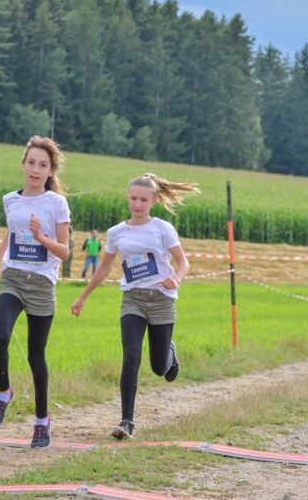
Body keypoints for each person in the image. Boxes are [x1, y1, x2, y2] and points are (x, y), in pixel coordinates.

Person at [71, 173, 199, 439]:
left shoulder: (163, 228)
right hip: (133, 299)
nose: (137, 204)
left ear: (153, 201)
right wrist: (82, 297)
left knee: (159, 368)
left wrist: (176, 279)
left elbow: (183, 263)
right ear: (128, 198)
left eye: (143, 200)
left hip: (161, 300)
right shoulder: (116, 232)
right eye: (133, 198)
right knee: (131, 355)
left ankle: (169, 352)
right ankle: (127, 421)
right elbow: (104, 268)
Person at [0, 136, 70, 448]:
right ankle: (4, 392)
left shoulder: (56, 203)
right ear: (23, 164)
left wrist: (41, 238)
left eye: (42, 165)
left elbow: (64, 251)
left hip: (42, 283)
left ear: (50, 171)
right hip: (13, 278)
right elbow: (10, 236)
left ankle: (42, 420)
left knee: (35, 355)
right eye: (31, 162)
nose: (35, 169)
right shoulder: (10, 200)